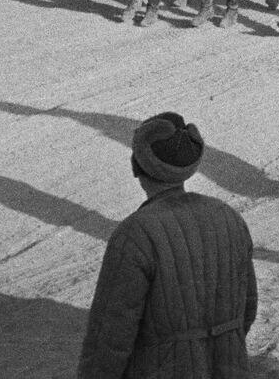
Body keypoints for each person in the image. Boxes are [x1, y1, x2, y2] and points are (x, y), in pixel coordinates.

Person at [78, 112, 257, 379]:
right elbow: (247, 308)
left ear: (136, 165)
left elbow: (111, 335)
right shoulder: (228, 217)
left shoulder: (136, 233)